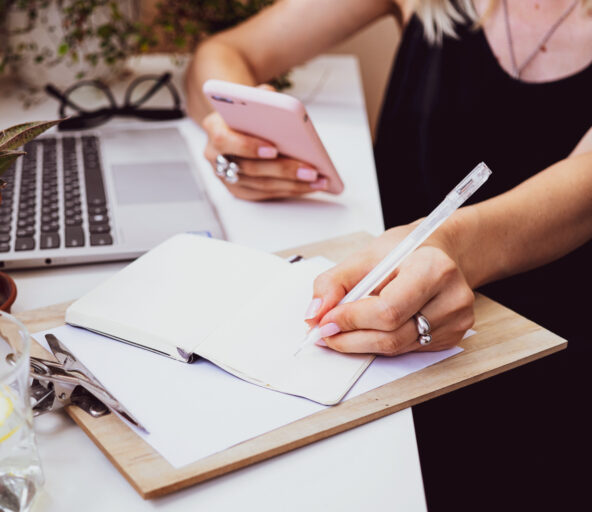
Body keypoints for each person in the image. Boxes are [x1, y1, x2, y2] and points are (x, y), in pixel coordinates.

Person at [185, 0, 592, 508]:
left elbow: (582, 197)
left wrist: (443, 244)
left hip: (544, 351)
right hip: (373, 313)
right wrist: (238, 137)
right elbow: (221, 53)